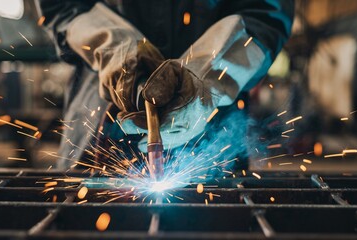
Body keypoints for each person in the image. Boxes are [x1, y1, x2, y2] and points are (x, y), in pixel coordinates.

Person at [36, 0, 294, 170]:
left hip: (214, 135)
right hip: (98, 126)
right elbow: (61, 6)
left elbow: (266, 15)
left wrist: (209, 78)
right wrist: (111, 46)